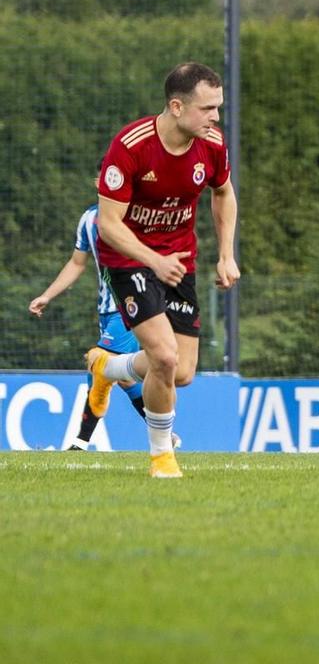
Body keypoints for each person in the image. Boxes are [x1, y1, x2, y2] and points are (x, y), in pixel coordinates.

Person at [84, 61, 240, 478]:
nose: (215, 118)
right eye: (207, 109)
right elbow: (109, 225)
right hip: (129, 259)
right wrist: (152, 260)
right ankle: (161, 457)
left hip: (178, 261)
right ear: (176, 106)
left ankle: (108, 368)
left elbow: (223, 194)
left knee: (182, 372)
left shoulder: (212, 144)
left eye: (218, 108)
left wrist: (226, 254)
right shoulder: (131, 147)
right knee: (164, 357)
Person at [28, 205, 150, 449]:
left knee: (99, 365)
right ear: (98, 182)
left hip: (129, 306)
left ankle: (80, 443)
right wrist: (47, 295)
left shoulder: (139, 213)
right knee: (123, 379)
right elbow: (76, 263)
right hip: (106, 309)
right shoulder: (88, 219)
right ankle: (164, 431)